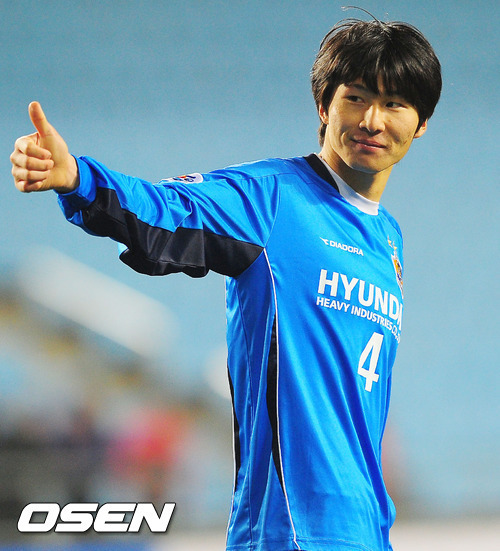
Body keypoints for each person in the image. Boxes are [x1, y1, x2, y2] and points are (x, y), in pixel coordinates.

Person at [11, 17, 441, 551]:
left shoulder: (388, 240)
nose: (372, 120)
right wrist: (78, 178)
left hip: (368, 535)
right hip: (288, 534)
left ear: (421, 123)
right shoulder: (270, 198)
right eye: (356, 98)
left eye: (394, 103)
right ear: (324, 106)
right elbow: (166, 209)